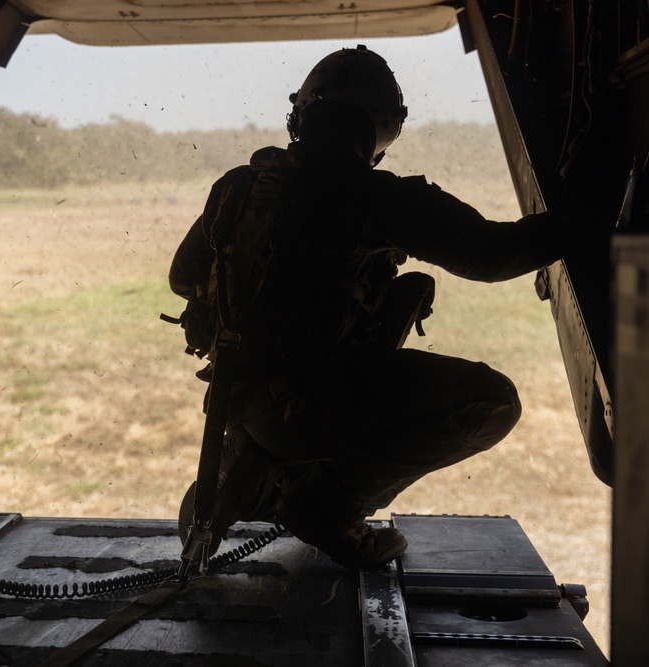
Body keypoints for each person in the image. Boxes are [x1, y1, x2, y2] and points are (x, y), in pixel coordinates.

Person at [169, 45, 571, 569]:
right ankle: (325, 503)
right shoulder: (374, 196)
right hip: (311, 409)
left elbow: (183, 278)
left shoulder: (237, 187)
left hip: (236, 403)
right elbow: (491, 256)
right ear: (380, 129)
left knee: (408, 292)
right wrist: (585, 225)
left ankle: (256, 461)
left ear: (301, 116)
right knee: (491, 402)